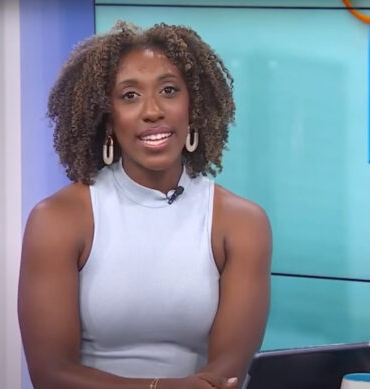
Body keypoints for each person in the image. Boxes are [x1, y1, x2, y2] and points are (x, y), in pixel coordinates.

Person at [18, 21, 272, 389]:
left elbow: (226, 376)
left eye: (169, 90)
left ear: (193, 108)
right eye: (130, 96)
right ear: (108, 119)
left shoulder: (242, 224)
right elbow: (51, 376)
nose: (152, 111)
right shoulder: (58, 220)